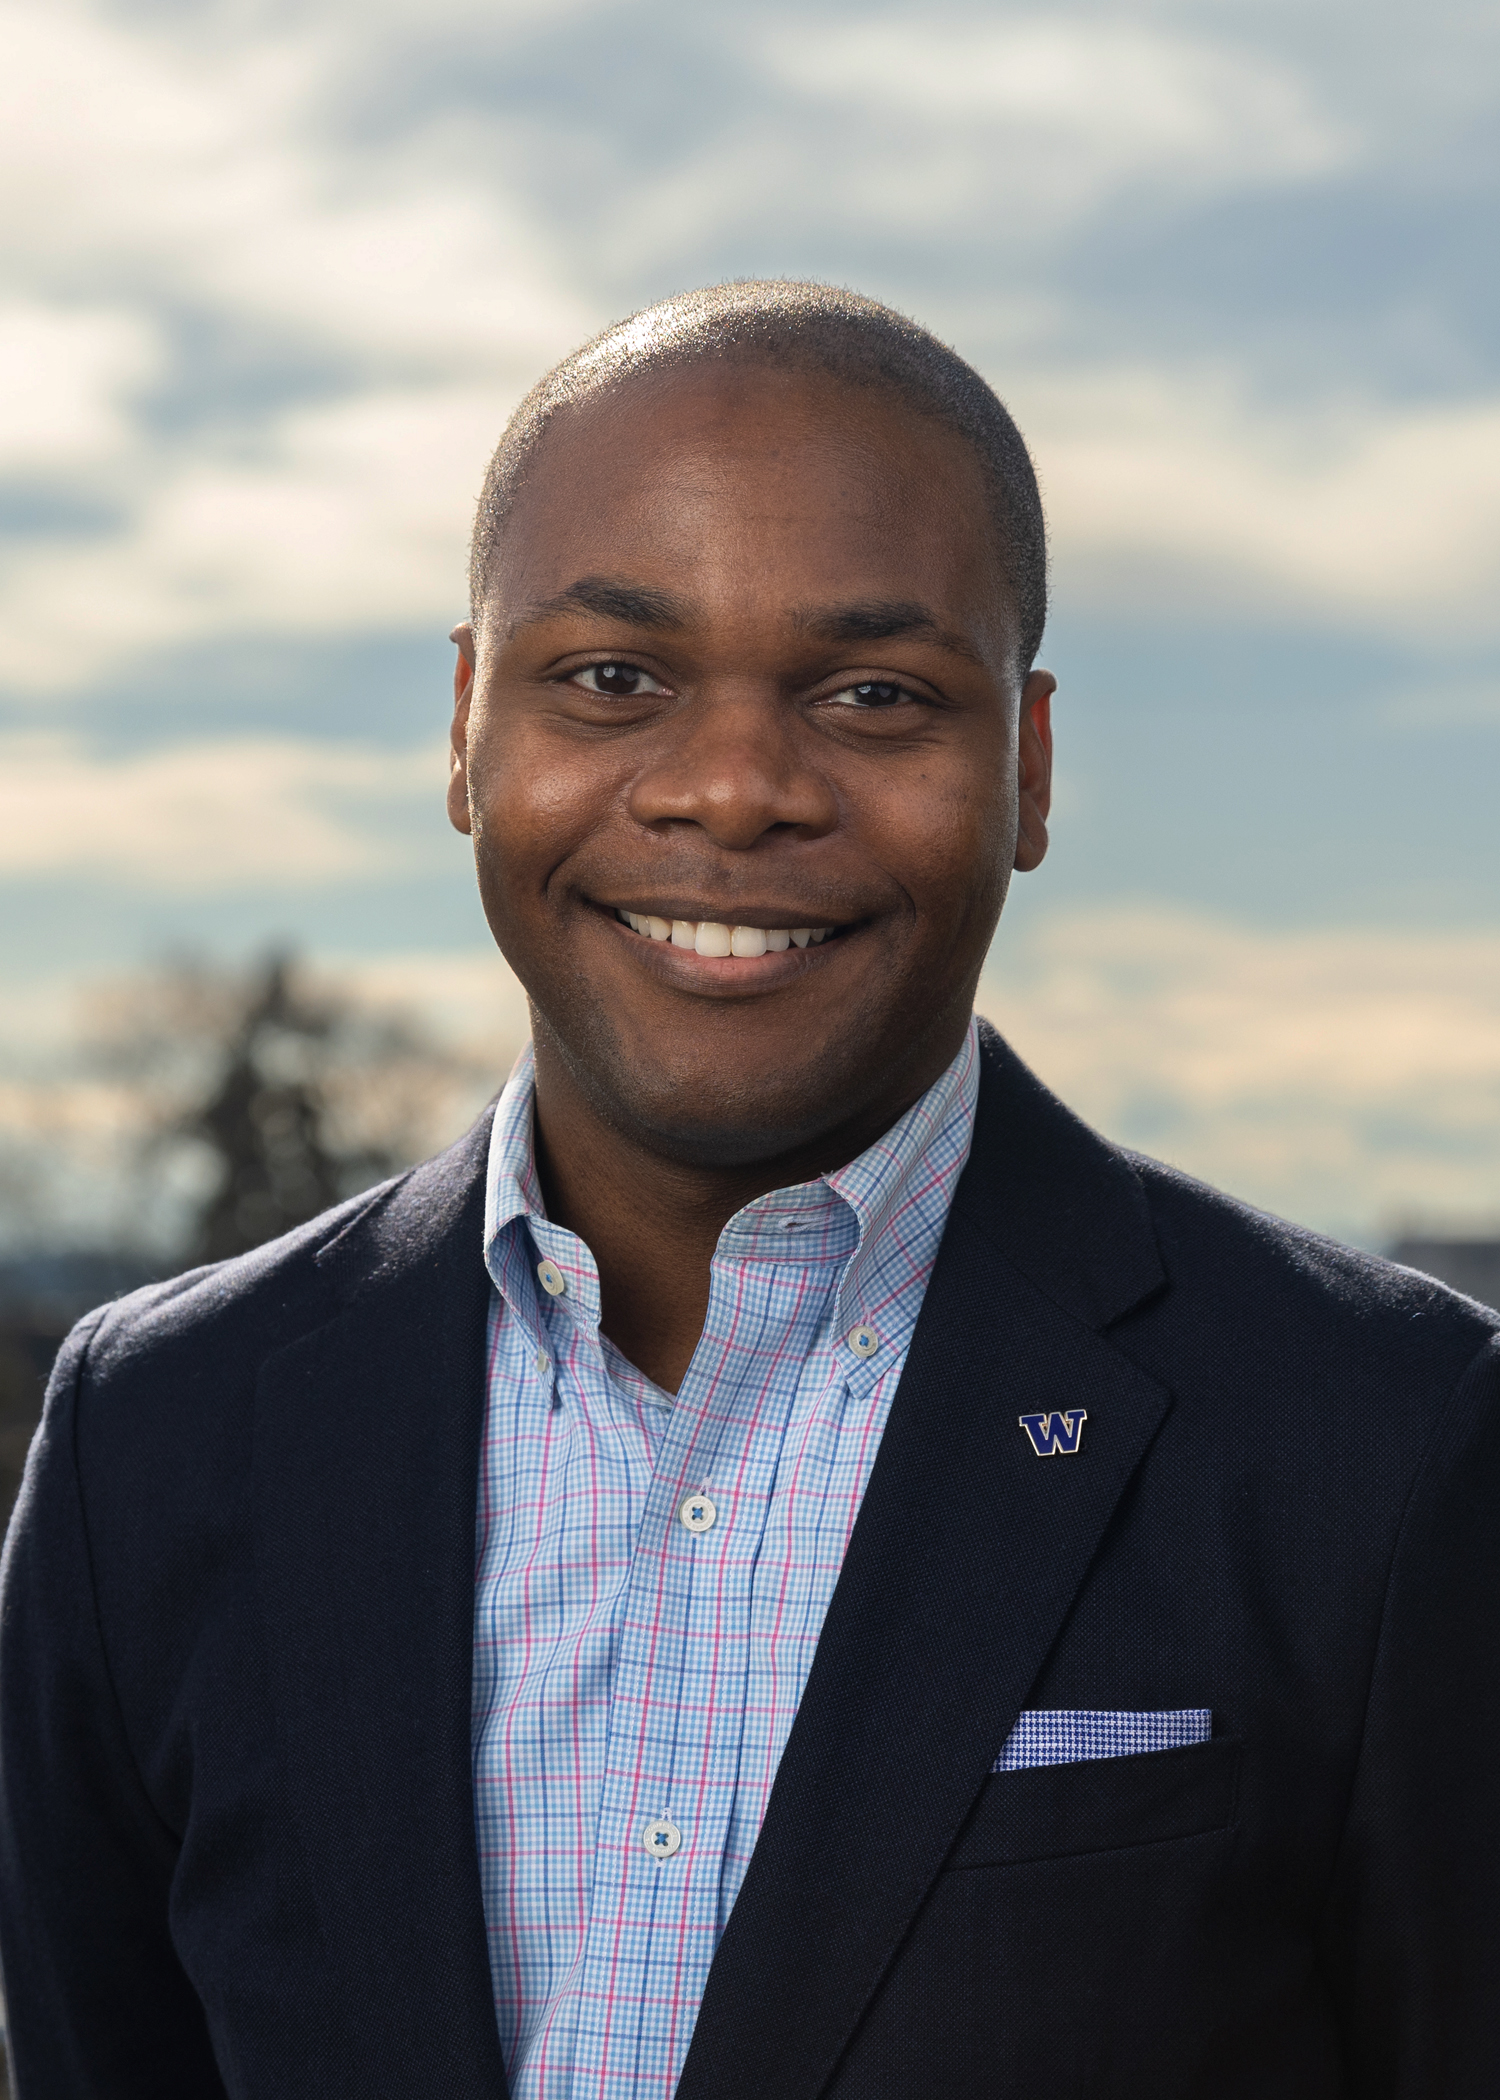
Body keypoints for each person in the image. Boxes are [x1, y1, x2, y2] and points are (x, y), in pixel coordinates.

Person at [2, 282, 1497, 2100]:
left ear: (1024, 767)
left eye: (875, 693)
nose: (732, 789)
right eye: (614, 677)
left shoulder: (1390, 1447)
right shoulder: (154, 1441)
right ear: (470, 724)